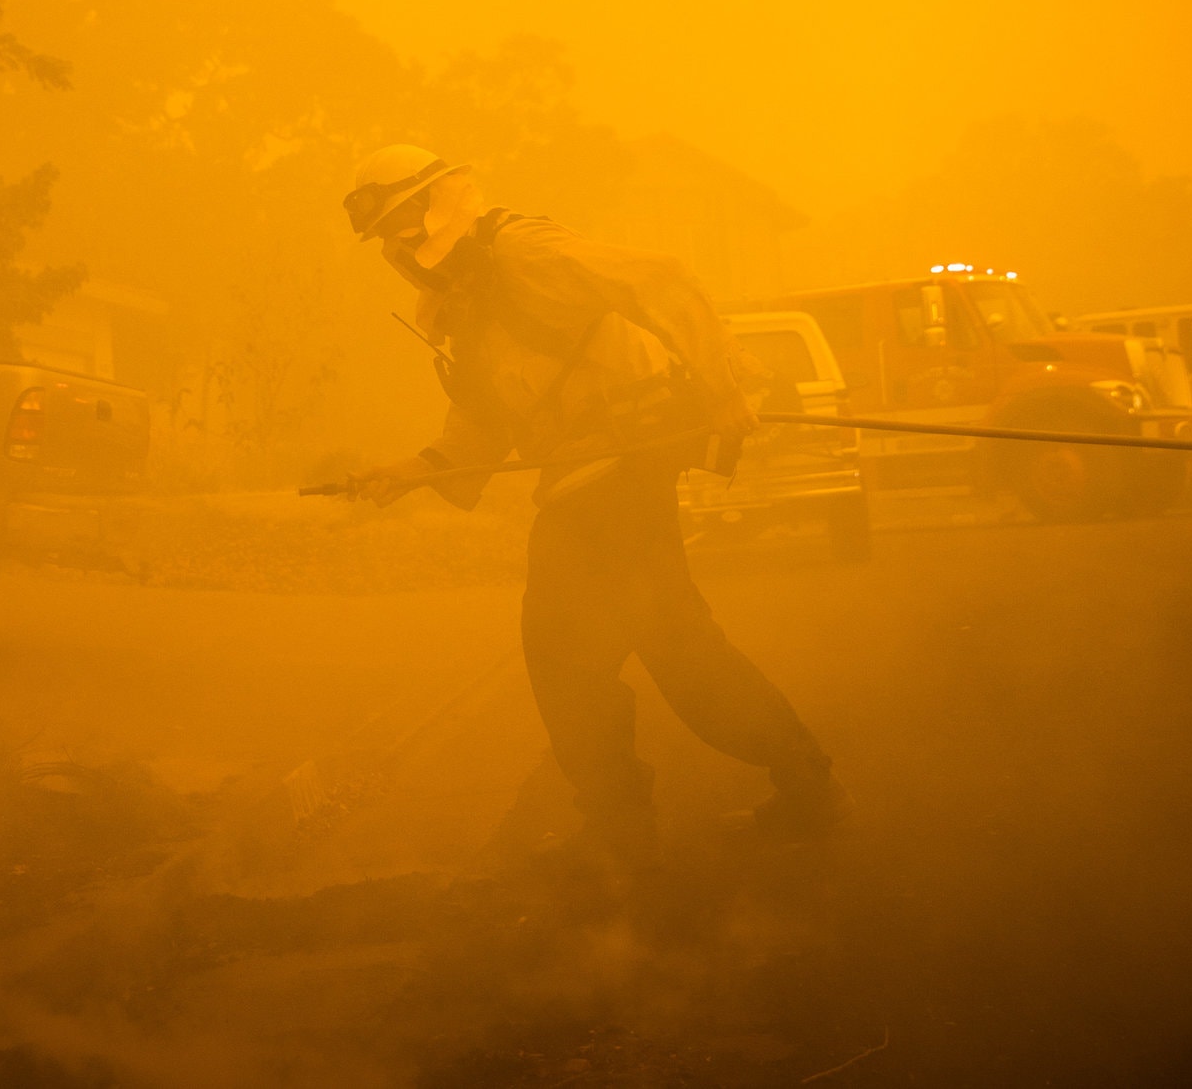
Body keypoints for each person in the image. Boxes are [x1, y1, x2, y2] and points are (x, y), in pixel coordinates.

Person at [343, 144, 848, 863]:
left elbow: (662, 280)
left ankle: (625, 831)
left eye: (401, 221)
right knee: (676, 648)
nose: (396, 245)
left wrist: (723, 383)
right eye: (383, 236)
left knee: (566, 650)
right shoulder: (466, 295)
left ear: (439, 201)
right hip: (592, 481)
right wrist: (409, 471)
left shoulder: (522, 251)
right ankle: (799, 787)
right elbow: (484, 423)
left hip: (621, 471)